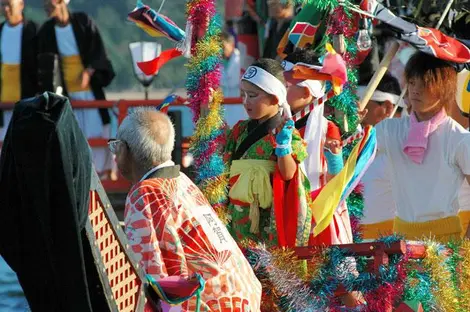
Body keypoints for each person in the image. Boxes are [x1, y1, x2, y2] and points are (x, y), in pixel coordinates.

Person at [112, 109, 261, 312]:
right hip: (242, 294)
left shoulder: (146, 193)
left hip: (211, 304)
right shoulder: (180, 180)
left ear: (125, 150)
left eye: (115, 147)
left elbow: (149, 272)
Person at [375, 52, 470, 242]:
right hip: (401, 241)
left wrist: (466, 250)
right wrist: (351, 123)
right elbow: (352, 151)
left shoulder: (459, 138)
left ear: (444, 88)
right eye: (412, 82)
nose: (415, 90)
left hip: (444, 246)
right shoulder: (388, 130)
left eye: (425, 84)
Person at [224, 58, 312, 248]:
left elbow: (289, 174)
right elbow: (225, 165)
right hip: (234, 221)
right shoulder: (240, 130)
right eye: (243, 95)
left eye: (253, 95)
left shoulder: (287, 132)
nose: (245, 102)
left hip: (267, 224)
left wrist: (283, 147)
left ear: (275, 98)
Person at [283, 49, 353, 245]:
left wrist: (334, 158)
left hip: (318, 214)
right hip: (283, 208)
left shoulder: (327, 129)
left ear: (306, 92)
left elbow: (335, 184)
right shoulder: (279, 125)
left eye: (286, 85)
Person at [38, 0, 115, 178]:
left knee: (97, 133)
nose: (45, 6)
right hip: (66, 95)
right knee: (73, 136)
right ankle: (78, 175)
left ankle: (102, 175)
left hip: (90, 92)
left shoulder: (83, 22)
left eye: (48, 2)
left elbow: (99, 54)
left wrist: (88, 71)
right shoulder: (46, 31)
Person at [0, 0, 37, 141]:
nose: (6, 9)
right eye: (2, 4)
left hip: (27, 105)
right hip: (3, 106)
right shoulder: (1, 31)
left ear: (21, 5)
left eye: (9, 4)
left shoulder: (33, 31)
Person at [221, 30, 242, 98]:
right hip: (222, 103)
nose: (220, 50)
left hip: (238, 102)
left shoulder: (242, 60)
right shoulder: (214, 62)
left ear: (232, 45)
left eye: (223, 47)